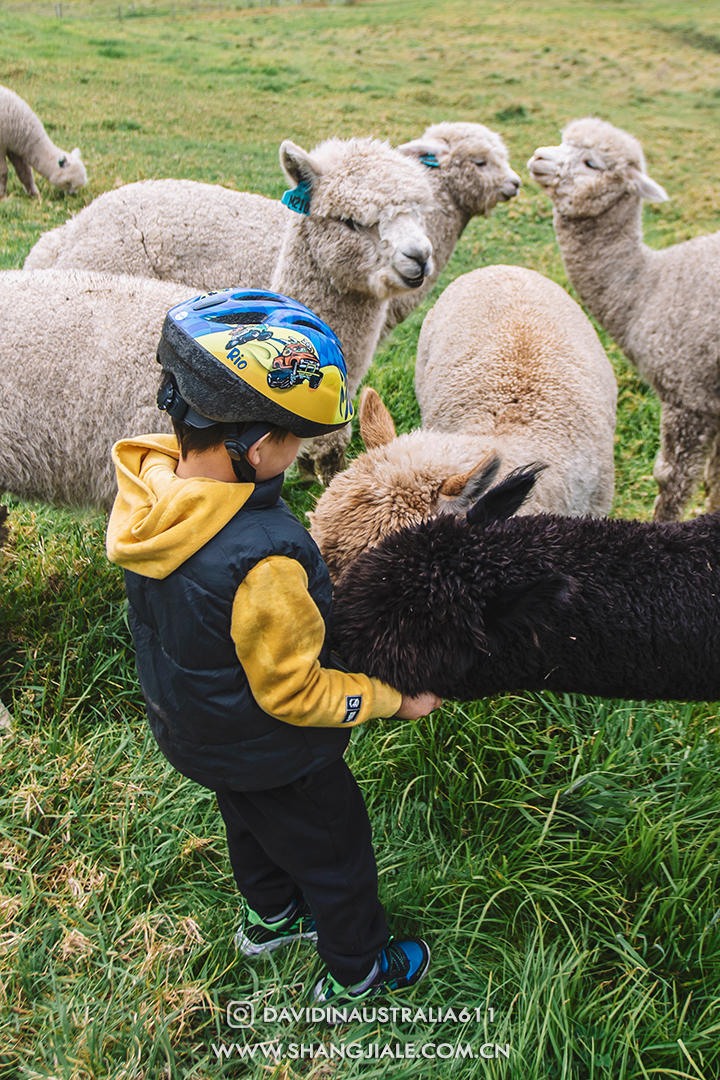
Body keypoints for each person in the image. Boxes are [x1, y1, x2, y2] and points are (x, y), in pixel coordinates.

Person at [106, 289, 441, 1006]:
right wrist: (392, 699)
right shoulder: (263, 559)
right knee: (335, 851)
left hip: (198, 731)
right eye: (294, 438)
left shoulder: (149, 494)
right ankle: (358, 970)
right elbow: (292, 690)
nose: (298, 451)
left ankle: (270, 921)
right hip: (278, 748)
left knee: (250, 823)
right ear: (257, 451)